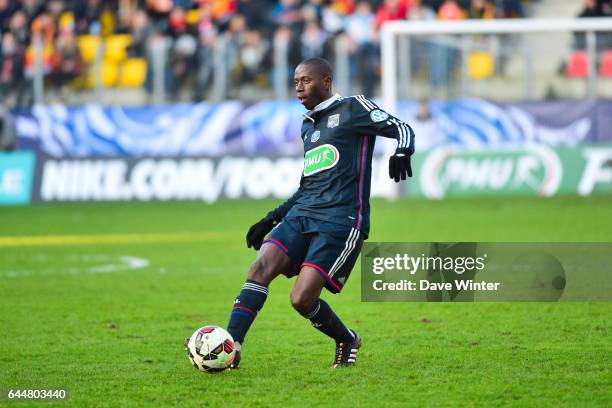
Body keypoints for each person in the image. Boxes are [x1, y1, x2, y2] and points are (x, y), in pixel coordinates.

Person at [216, 57, 415, 369]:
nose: (298, 87)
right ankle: (231, 347)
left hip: (340, 220)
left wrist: (403, 149)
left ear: (326, 80)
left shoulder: (353, 107)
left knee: (301, 300)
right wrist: (271, 218)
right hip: (302, 214)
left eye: (305, 80)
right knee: (259, 269)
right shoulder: (308, 125)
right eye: (295, 81)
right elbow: (307, 186)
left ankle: (347, 338)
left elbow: (401, 127)